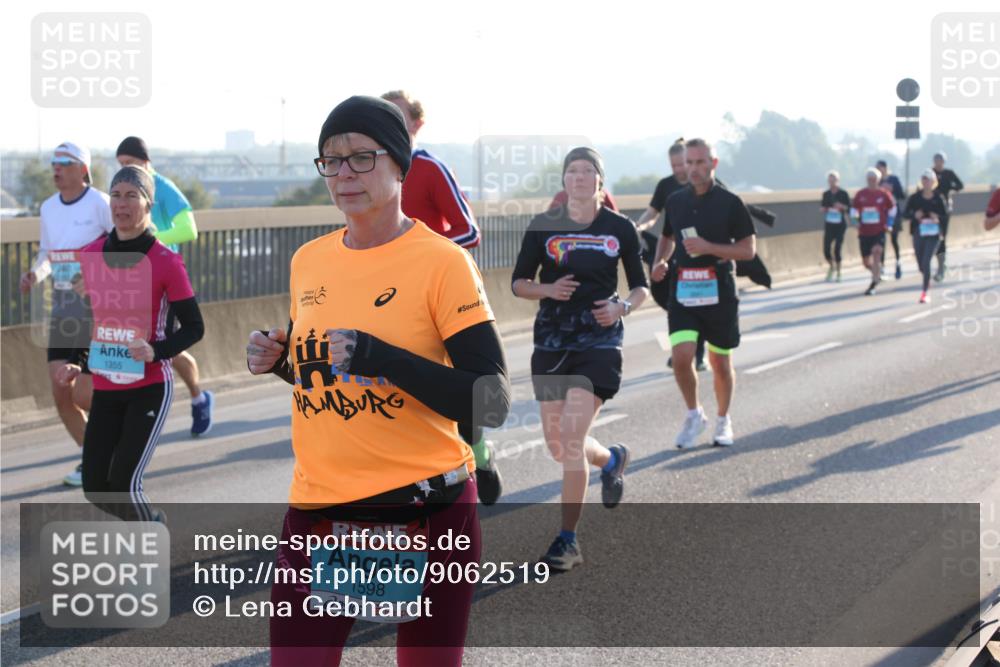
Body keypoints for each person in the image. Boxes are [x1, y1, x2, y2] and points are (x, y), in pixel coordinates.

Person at [246, 96, 510, 666]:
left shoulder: (441, 262)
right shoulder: (308, 261)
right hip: (321, 511)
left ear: (399, 165)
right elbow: (325, 377)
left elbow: (490, 399)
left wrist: (382, 356)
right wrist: (280, 361)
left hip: (425, 511)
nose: (344, 174)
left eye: (362, 158)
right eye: (331, 160)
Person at [512, 146, 648, 571]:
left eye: (588, 171)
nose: (579, 177)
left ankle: (567, 541)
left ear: (599, 182)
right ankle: (611, 460)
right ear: (564, 180)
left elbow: (640, 287)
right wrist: (547, 291)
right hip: (552, 340)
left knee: (571, 439)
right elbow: (518, 283)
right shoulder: (543, 227)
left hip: (600, 342)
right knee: (558, 446)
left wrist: (622, 307)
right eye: (572, 171)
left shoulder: (620, 228)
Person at [57, 166, 204, 521]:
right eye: (116, 195)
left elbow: (194, 328)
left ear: (148, 204)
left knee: (123, 482)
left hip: (149, 386)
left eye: (131, 196)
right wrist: (79, 360)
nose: (121, 204)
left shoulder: (165, 262)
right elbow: (94, 320)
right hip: (106, 387)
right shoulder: (91, 255)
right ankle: (150, 523)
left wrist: (157, 350)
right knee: (95, 487)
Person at [381, 91, 503, 506]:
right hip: (392, 299)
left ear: (416, 125)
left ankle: (480, 454)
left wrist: (421, 253)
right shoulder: (372, 173)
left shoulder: (430, 168)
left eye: (397, 118)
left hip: (441, 294)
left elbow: (469, 232)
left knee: (458, 390)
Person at [650, 138, 756, 449]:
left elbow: (748, 250)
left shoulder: (730, 202)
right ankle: (694, 414)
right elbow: (667, 237)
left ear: (713, 163)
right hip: (683, 291)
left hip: (719, 291)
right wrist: (660, 261)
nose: (693, 169)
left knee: (720, 362)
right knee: (681, 358)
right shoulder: (676, 201)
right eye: (689, 163)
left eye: (699, 162)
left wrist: (709, 248)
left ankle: (723, 420)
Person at [19, 142, 112, 487]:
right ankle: (93, 460)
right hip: (62, 308)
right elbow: (46, 252)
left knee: (83, 393)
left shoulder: (101, 203)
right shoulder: (47, 207)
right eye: (53, 162)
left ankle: (107, 451)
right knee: (61, 391)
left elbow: (120, 245)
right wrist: (35, 274)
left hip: (97, 309)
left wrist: (96, 277)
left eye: (64, 162)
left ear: (83, 169)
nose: (56, 168)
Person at [115, 137, 213, 437]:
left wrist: (155, 240)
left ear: (145, 162)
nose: (124, 170)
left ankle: (198, 397)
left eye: (129, 163)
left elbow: (190, 229)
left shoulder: (162, 186)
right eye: (120, 165)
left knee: (165, 344)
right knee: (137, 342)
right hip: (133, 280)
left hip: (163, 280)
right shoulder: (123, 191)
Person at [639, 139, 707, 370]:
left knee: (693, 303)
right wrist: (638, 227)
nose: (678, 170)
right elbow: (652, 213)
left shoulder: (703, 184)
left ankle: (697, 354)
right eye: (674, 165)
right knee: (673, 303)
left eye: (682, 164)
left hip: (699, 255)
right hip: (674, 253)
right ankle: (684, 350)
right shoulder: (666, 186)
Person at [902, 169, 948, 304]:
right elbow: (905, 214)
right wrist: (915, 215)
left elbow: (945, 216)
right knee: (921, 263)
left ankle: (924, 292)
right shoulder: (915, 197)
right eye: (923, 179)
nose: (925, 181)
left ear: (933, 182)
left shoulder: (938, 198)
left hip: (934, 234)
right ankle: (926, 278)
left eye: (928, 179)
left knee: (926, 260)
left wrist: (937, 217)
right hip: (919, 232)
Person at [851, 168, 896, 295]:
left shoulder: (884, 194)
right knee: (866, 262)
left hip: (879, 230)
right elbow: (854, 210)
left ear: (878, 180)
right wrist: (855, 222)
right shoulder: (861, 194)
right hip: (864, 231)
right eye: (869, 179)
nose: (872, 181)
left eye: (874, 179)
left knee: (877, 253)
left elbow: (893, 209)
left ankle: (873, 285)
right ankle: (877, 273)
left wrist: (889, 224)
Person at [931, 152, 964, 282]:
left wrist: (950, 188)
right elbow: (921, 186)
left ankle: (941, 265)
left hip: (944, 209)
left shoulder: (949, 173)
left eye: (940, 160)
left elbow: (960, 185)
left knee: (942, 237)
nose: (938, 162)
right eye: (936, 160)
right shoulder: (930, 173)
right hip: (931, 209)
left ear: (944, 162)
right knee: (930, 236)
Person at [876, 160, 906, 280]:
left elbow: (902, 195)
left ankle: (898, 262)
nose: (878, 171)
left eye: (879, 168)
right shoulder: (877, 181)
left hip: (894, 214)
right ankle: (882, 267)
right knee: (881, 241)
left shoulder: (894, 179)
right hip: (882, 214)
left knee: (894, 240)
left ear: (885, 168)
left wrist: (891, 189)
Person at [820, 170, 850, 282]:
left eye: (834, 180)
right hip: (829, 223)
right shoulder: (826, 194)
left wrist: (841, 207)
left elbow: (849, 208)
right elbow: (822, 207)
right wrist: (826, 209)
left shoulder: (843, 193)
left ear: (838, 181)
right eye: (830, 180)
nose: (832, 182)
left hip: (840, 224)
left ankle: (838, 271)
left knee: (837, 248)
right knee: (826, 249)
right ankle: (831, 266)